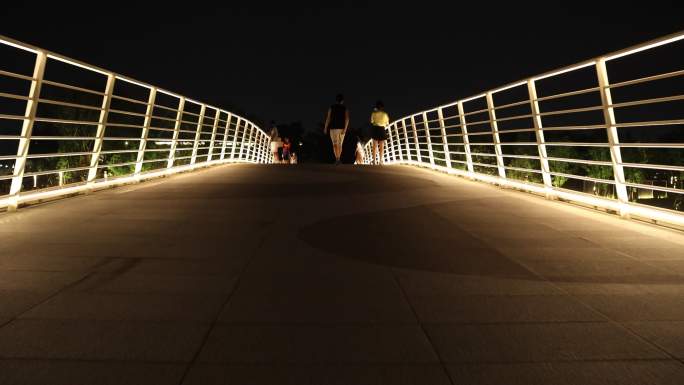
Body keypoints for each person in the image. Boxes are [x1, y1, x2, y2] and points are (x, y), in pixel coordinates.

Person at [323, 94, 350, 164]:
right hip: (341, 128)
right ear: (342, 101)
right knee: (340, 144)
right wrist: (345, 129)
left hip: (333, 128)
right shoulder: (345, 108)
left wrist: (325, 128)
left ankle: (337, 159)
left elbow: (328, 118)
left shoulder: (331, 107)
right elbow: (347, 119)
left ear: (336, 100)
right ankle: (338, 159)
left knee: (334, 144)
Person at [370, 100, 389, 165]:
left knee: (374, 146)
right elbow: (387, 123)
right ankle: (381, 161)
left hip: (375, 129)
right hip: (382, 129)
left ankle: (374, 161)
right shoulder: (385, 114)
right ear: (382, 107)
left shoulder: (373, 113)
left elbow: (372, 121)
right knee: (381, 146)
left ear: (376, 107)